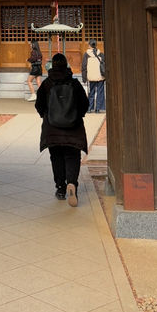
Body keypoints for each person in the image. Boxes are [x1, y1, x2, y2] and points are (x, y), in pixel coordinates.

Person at [35, 52, 89, 205]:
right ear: (66, 65)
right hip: (73, 128)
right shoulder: (74, 84)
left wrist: (46, 116)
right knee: (72, 156)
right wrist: (77, 115)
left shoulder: (46, 84)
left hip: (52, 129)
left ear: (53, 66)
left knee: (56, 157)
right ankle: (72, 183)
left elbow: (39, 105)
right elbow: (84, 104)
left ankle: (60, 188)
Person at [81, 38, 106, 113]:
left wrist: (84, 78)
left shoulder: (86, 55)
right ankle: (98, 109)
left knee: (91, 92)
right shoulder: (101, 54)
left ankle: (89, 108)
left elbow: (84, 67)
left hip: (91, 77)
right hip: (100, 77)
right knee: (100, 92)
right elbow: (104, 65)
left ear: (89, 45)